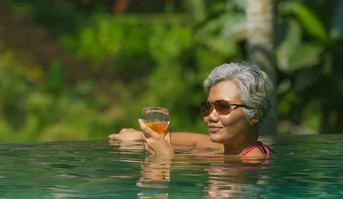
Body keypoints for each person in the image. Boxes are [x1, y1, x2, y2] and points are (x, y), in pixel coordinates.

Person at [109, 62, 274, 160]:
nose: (210, 116)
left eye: (222, 106)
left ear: (254, 116)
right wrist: (141, 136)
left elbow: (191, 162)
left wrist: (167, 157)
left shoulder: (252, 161)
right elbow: (195, 140)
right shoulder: (229, 148)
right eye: (207, 107)